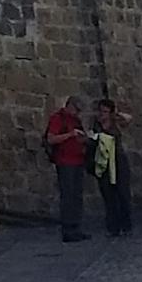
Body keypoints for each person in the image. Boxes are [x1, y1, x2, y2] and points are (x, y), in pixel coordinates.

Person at [44, 95, 90, 241]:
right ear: (69, 106)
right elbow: (51, 139)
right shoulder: (58, 118)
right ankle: (68, 229)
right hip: (65, 161)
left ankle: (76, 227)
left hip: (78, 160)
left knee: (76, 195)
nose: (78, 113)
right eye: (76, 109)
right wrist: (70, 134)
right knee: (68, 195)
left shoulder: (76, 120)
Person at [90, 95, 133, 238]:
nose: (101, 114)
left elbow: (128, 119)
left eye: (105, 112)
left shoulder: (116, 124)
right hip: (104, 163)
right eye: (100, 111)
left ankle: (126, 225)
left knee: (123, 195)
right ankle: (113, 227)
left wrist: (116, 115)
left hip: (118, 161)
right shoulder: (95, 125)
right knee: (108, 196)